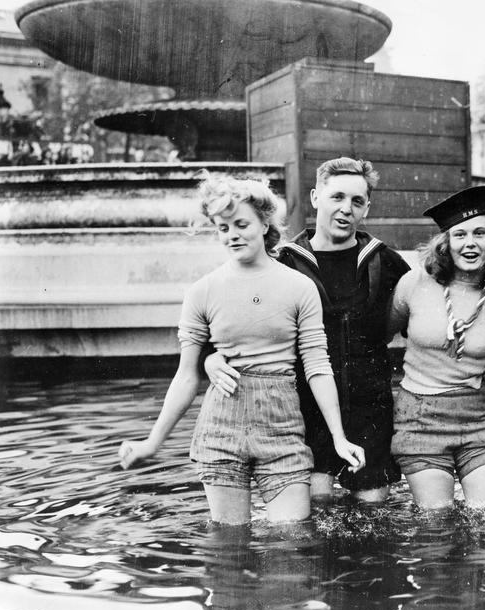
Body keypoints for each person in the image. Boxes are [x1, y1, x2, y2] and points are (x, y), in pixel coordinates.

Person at [118, 172, 364, 524]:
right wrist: (152, 443)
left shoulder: (300, 287)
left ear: (265, 224)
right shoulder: (202, 291)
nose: (232, 235)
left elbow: (317, 366)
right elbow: (186, 376)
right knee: (229, 547)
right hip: (221, 429)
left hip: (283, 429)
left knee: (292, 543)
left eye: (241, 224)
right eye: (222, 228)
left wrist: (339, 438)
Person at [205, 158, 409, 504]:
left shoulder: (383, 261)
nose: (346, 209)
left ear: (367, 209)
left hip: (370, 409)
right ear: (316, 197)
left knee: (374, 510)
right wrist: (210, 359)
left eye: (357, 201)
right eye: (337, 197)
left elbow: (427, 308)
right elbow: (232, 319)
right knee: (317, 509)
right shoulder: (282, 262)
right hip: (303, 411)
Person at [388, 185, 485, 510]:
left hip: (480, 417)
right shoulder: (415, 284)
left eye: (480, 233)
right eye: (460, 235)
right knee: (436, 528)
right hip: (420, 416)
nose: (470, 243)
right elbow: (376, 338)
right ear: (445, 243)